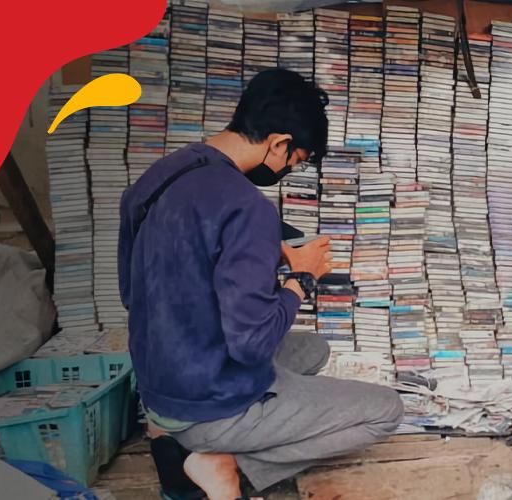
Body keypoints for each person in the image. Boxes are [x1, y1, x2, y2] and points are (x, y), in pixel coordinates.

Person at [119, 69, 403, 499]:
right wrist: (301, 279)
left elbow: (131, 290)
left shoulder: (159, 176)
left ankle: (166, 437)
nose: (291, 169)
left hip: (160, 383)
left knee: (314, 350)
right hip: (207, 402)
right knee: (386, 410)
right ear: (279, 142)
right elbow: (250, 344)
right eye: (297, 160)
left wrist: (267, 252)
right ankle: (224, 464)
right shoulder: (248, 207)